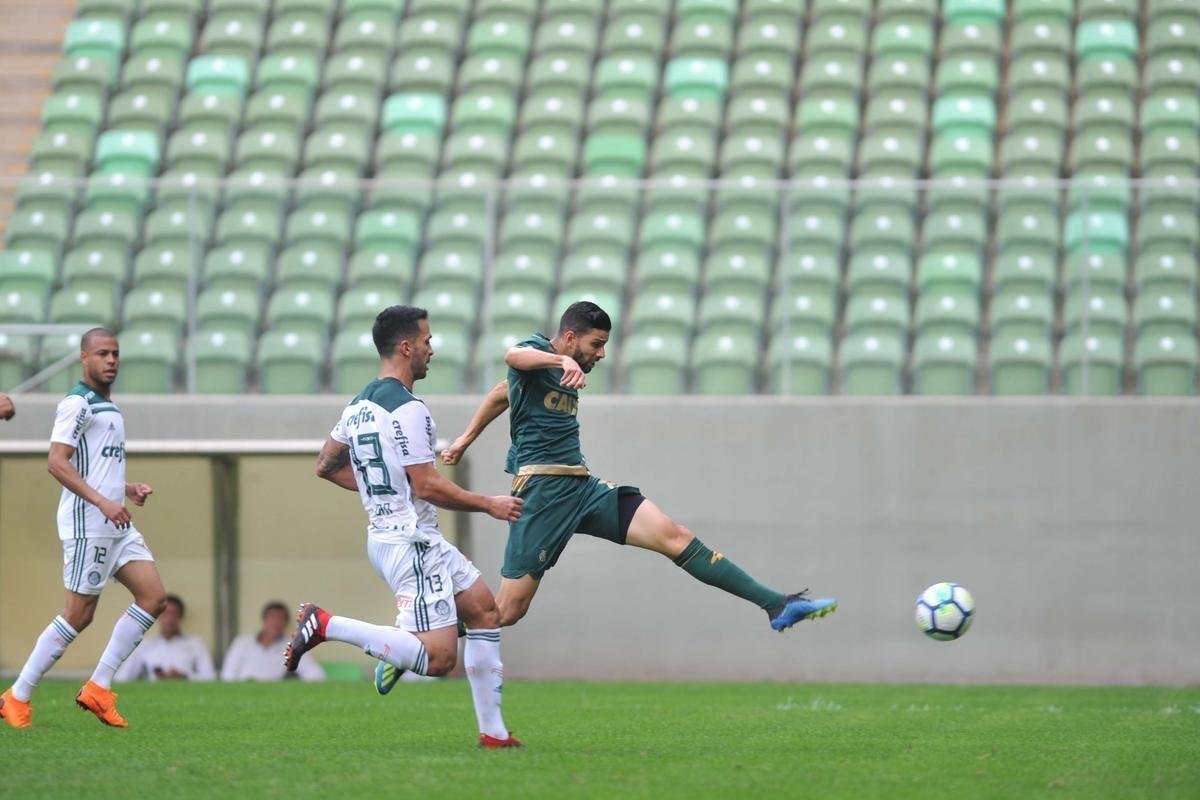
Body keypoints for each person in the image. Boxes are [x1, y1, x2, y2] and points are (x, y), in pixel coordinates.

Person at [442, 301, 837, 632]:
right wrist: (559, 359)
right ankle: (423, 634)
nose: (601, 354)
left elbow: (501, 394)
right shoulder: (540, 352)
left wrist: (463, 439)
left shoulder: (555, 370)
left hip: (582, 488)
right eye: (596, 344)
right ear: (570, 338)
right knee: (506, 612)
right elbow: (512, 357)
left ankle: (776, 604)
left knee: (674, 535)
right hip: (542, 493)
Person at [284, 305, 525, 748]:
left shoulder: (357, 406)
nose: (432, 349)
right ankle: (326, 624)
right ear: (406, 347)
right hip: (410, 542)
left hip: (398, 535)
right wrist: (489, 504)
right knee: (439, 660)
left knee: (484, 612)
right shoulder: (409, 409)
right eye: (427, 341)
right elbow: (428, 485)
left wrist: (385, 493)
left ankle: (493, 733)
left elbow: (325, 465)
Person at [0, 328, 168, 730]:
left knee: (153, 597)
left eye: (115, 354)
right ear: (84, 358)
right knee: (79, 614)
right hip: (89, 523)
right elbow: (57, 462)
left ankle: (98, 688)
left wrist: (125, 488)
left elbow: (96, 467)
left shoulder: (109, 406)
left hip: (115, 521)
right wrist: (103, 502)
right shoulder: (77, 403)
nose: (111, 360)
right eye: (102, 353)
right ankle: (17, 695)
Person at [115, 594, 215, 682]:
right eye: (166, 614)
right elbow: (122, 678)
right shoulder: (144, 645)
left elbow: (210, 678)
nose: (169, 619)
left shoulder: (195, 644)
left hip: (187, 693)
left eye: (174, 614)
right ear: (158, 617)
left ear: (181, 617)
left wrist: (184, 676)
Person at [221, 601, 325, 682]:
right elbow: (227, 675)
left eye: (281, 619)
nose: (276, 622)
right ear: (263, 620)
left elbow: (315, 675)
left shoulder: (294, 646)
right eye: (272, 617)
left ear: (286, 623)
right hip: (242, 691)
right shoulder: (242, 642)